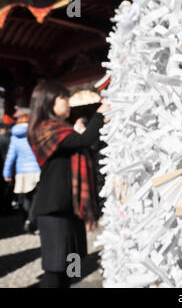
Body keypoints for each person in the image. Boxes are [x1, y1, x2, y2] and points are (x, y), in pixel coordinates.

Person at [27, 80, 109, 288]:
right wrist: (100, 114)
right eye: (63, 97)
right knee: (55, 269)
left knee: (73, 268)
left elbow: (85, 144)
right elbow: (83, 141)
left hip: (72, 208)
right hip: (54, 210)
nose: (68, 102)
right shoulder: (44, 130)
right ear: (48, 102)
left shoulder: (63, 130)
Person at [2, 112, 40, 233]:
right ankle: (32, 219)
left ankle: (27, 219)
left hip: (22, 172)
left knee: (25, 198)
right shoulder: (35, 133)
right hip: (36, 170)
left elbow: (10, 156)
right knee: (36, 197)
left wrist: (6, 172)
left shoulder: (15, 137)